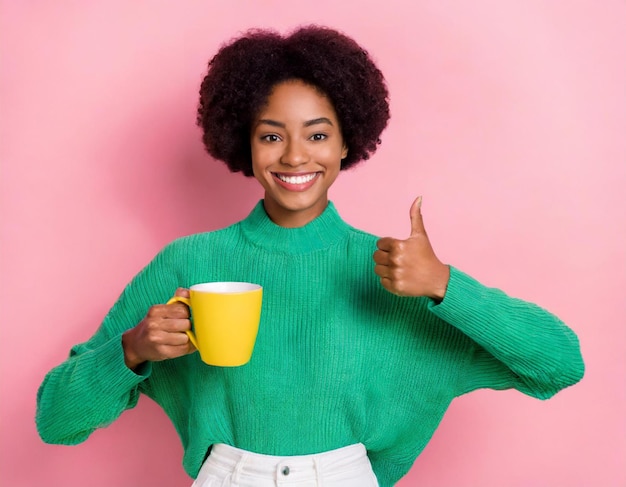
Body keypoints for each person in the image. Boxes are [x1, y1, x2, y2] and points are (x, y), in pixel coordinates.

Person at [36, 26, 585, 487]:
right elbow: (56, 420)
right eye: (271, 137)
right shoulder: (188, 263)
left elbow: (560, 364)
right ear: (244, 145)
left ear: (347, 142)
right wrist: (133, 348)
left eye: (317, 134)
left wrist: (445, 285)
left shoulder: (396, 273)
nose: (295, 156)